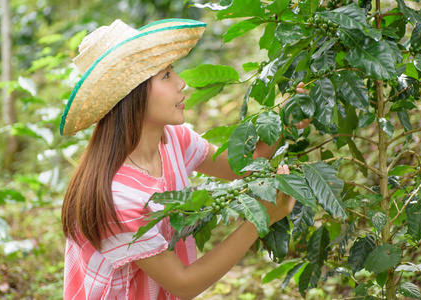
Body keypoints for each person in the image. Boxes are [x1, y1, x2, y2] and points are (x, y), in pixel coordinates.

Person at [60, 18, 307, 300]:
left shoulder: (172, 139)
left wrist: (288, 118)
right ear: (131, 94)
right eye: (165, 75)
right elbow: (183, 284)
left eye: (172, 70)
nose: (181, 83)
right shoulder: (118, 196)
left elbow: (239, 167)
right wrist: (260, 218)